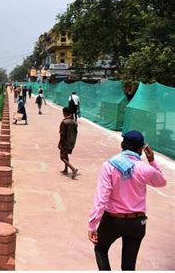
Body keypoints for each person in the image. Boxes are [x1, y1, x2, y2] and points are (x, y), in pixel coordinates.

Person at [87, 130, 166, 270]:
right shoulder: (145, 169)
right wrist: (152, 160)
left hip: (112, 220)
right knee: (128, 266)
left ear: (122, 144)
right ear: (141, 149)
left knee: (100, 249)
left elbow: (102, 198)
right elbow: (162, 182)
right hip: (137, 223)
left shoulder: (110, 165)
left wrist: (92, 224)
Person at [58, 107, 78, 179]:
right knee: (66, 156)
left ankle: (73, 169)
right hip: (72, 141)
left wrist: (60, 142)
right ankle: (66, 170)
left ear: (65, 113)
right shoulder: (74, 122)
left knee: (62, 157)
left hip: (65, 142)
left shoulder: (64, 122)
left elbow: (62, 134)